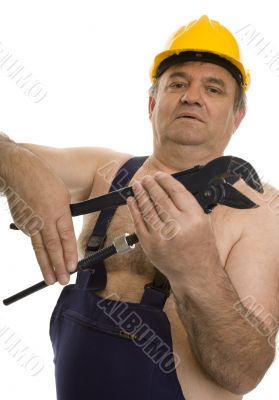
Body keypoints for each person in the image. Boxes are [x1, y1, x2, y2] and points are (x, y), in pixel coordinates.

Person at [1, 15, 279, 400]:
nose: (192, 96)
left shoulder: (260, 211)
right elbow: (10, 157)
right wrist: (13, 162)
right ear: (152, 103)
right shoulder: (104, 172)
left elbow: (245, 372)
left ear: (238, 117)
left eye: (214, 89)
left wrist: (194, 271)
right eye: (177, 83)